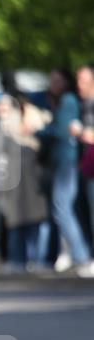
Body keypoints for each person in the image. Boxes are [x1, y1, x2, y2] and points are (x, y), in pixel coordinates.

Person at [37, 69, 92, 275]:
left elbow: (61, 131)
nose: (53, 84)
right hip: (69, 162)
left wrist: (37, 129)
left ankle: (81, 256)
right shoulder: (69, 101)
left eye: (58, 80)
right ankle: (69, 254)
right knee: (69, 209)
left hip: (68, 163)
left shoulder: (68, 100)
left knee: (62, 208)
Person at [0, 77, 49, 272]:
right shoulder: (3, 124)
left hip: (31, 175)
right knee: (17, 221)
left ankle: (36, 259)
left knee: (34, 221)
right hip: (15, 178)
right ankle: (20, 259)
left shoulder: (32, 117)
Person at [70, 65, 94, 265]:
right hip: (86, 166)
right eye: (78, 80)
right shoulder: (82, 103)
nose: (79, 85)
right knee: (83, 211)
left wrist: (84, 134)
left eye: (84, 81)